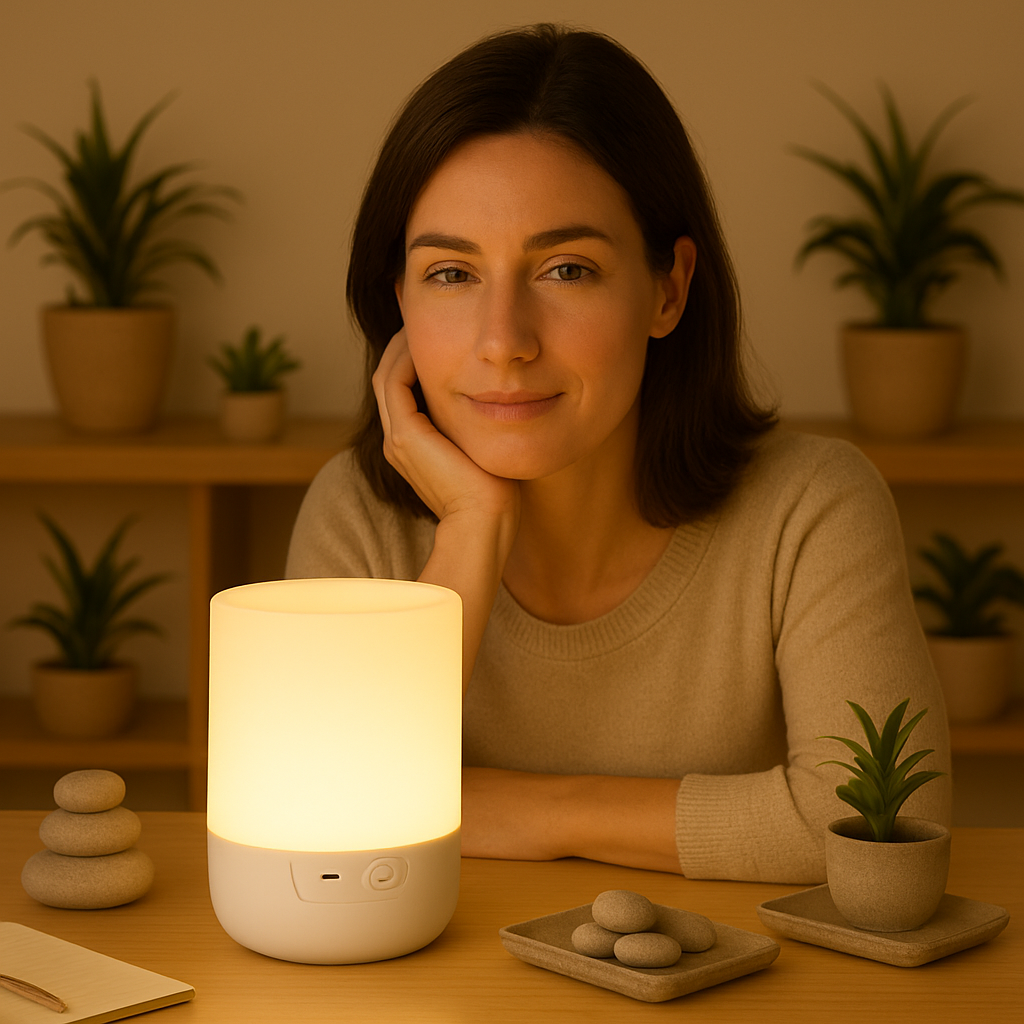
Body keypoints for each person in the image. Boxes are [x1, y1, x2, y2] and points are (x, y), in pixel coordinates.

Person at [286, 23, 951, 883]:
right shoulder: (355, 515)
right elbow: (323, 808)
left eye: (566, 269)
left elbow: (883, 832)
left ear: (668, 289)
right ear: (400, 300)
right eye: (451, 274)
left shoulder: (812, 509)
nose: (504, 341)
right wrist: (472, 528)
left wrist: (524, 808)